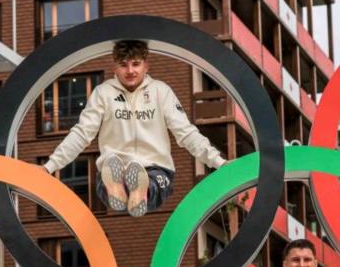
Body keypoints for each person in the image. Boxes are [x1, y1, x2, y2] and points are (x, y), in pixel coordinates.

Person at [42, 40, 225, 217]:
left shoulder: (161, 92)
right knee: (110, 173)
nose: (130, 71)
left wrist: (217, 162)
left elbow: (185, 132)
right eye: (123, 65)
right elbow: (82, 133)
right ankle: (117, 185)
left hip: (156, 169)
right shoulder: (103, 93)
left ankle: (140, 189)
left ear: (146, 66)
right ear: (115, 67)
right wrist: (50, 166)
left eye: (135, 64)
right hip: (114, 165)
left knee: (154, 183)